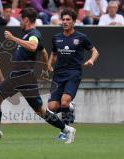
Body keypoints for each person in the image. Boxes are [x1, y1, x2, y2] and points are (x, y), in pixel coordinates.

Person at [0, 7, 76, 144]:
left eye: (21, 20)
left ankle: (67, 129)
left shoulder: (33, 34)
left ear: (26, 20)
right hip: (20, 76)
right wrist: (46, 68)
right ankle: (67, 129)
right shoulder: (29, 35)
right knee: (37, 110)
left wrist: (12, 38)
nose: (20, 22)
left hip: (23, 76)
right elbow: (44, 52)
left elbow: (33, 47)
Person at [47, 8, 99, 140]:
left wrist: (91, 60)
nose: (65, 22)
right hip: (58, 75)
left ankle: (64, 132)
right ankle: (70, 108)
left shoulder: (81, 38)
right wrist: (48, 65)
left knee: (64, 102)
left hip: (73, 73)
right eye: (63, 19)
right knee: (51, 107)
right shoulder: (56, 38)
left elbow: (95, 51)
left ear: (74, 22)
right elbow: (53, 54)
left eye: (68, 19)